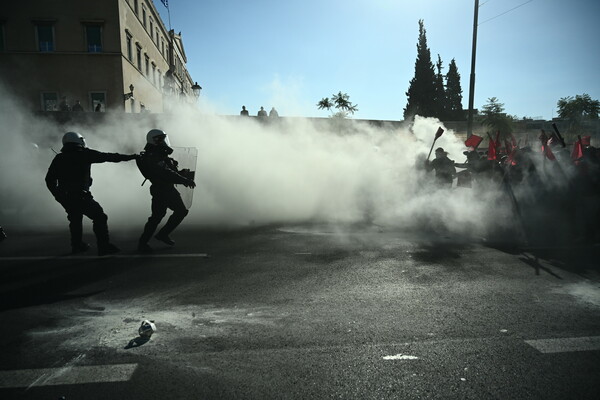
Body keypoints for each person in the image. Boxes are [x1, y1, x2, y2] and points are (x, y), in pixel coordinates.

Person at [45, 132, 137, 255]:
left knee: (75, 220)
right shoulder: (85, 154)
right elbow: (109, 157)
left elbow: (49, 180)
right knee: (100, 217)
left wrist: (59, 196)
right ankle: (103, 246)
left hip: (67, 197)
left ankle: (77, 245)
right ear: (79, 141)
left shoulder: (59, 158)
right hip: (82, 196)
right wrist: (131, 157)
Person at [136, 129, 196, 253]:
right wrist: (184, 180)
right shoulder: (152, 156)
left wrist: (181, 174)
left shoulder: (160, 154)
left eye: (164, 138)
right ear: (155, 140)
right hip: (160, 190)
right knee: (157, 217)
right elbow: (166, 173)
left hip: (168, 189)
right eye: (161, 139)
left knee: (181, 211)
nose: (164, 141)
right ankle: (142, 243)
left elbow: (170, 172)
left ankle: (162, 234)